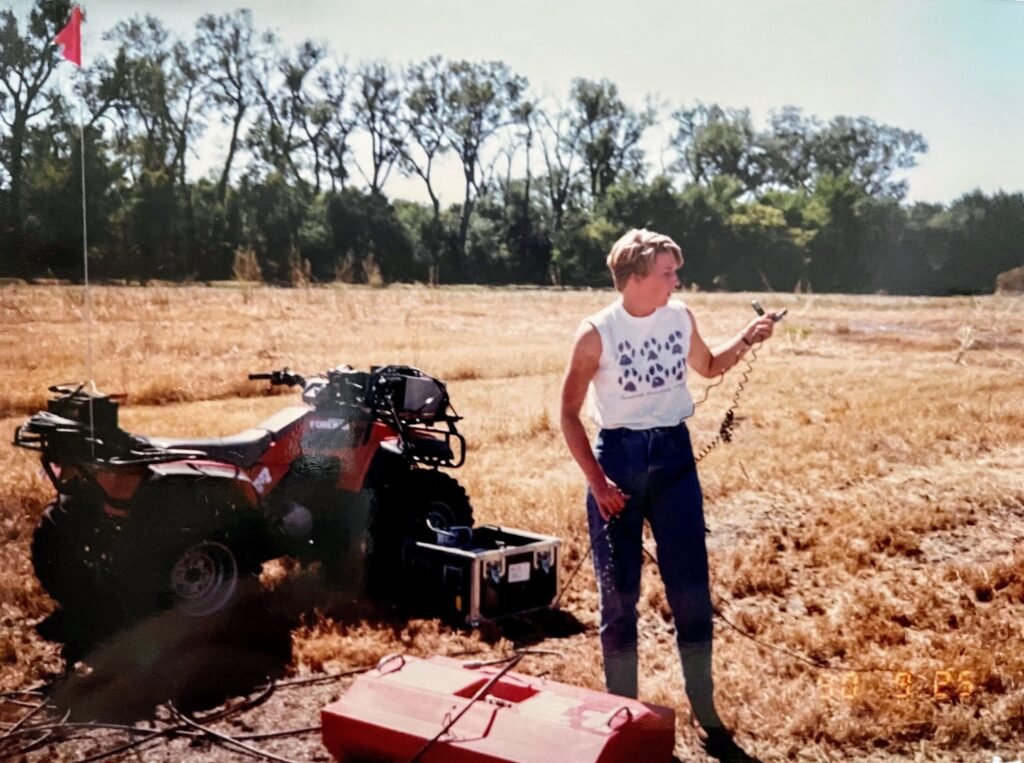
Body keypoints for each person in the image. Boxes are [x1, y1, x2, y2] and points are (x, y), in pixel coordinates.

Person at [559, 228, 776, 759]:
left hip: (675, 460)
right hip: (619, 465)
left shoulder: (680, 317)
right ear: (635, 278)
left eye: (675, 271)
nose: (677, 280)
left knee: (691, 591)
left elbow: (707, 366)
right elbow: (567, 413)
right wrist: (599, 482)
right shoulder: (596, 334)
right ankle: (624, 716)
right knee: (620, 599)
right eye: (667, 272)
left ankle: (704, 708)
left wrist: (748, 338)